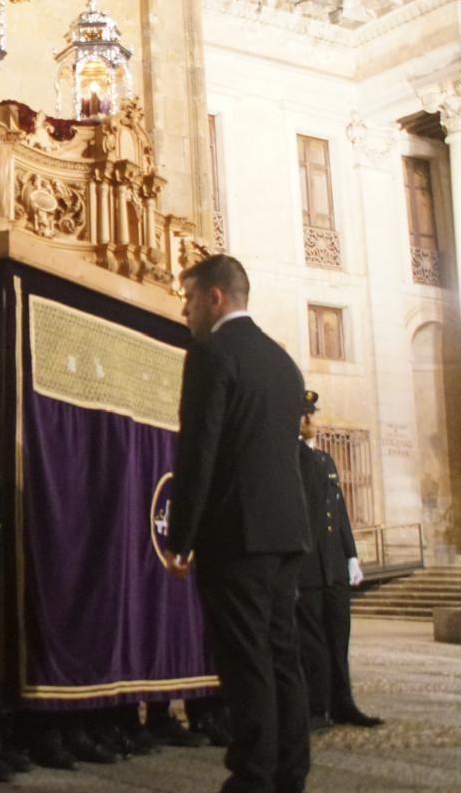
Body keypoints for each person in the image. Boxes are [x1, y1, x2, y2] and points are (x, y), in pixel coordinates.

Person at [165, 254, 310, 793]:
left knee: (246, 663)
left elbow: (199, 451)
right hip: (286, 532)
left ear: (215, 298)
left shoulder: (211, 354)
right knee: (282, 659)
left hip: (237, 536)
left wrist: (180, 538)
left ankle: (251, 779)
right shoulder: (282, 361)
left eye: (189, 298)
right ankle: (289, 774)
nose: (185, 309)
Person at [296, 391, 382, 730]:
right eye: (305, 415)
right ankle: (316, 707)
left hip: (332, 564)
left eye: (311, 415)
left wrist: (351, 555)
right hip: (308, 566)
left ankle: (343, 702)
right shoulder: (292, 459)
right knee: (312, 642)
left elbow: (339, 512)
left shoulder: (325, 461)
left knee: (338, 638)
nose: (311, 421)